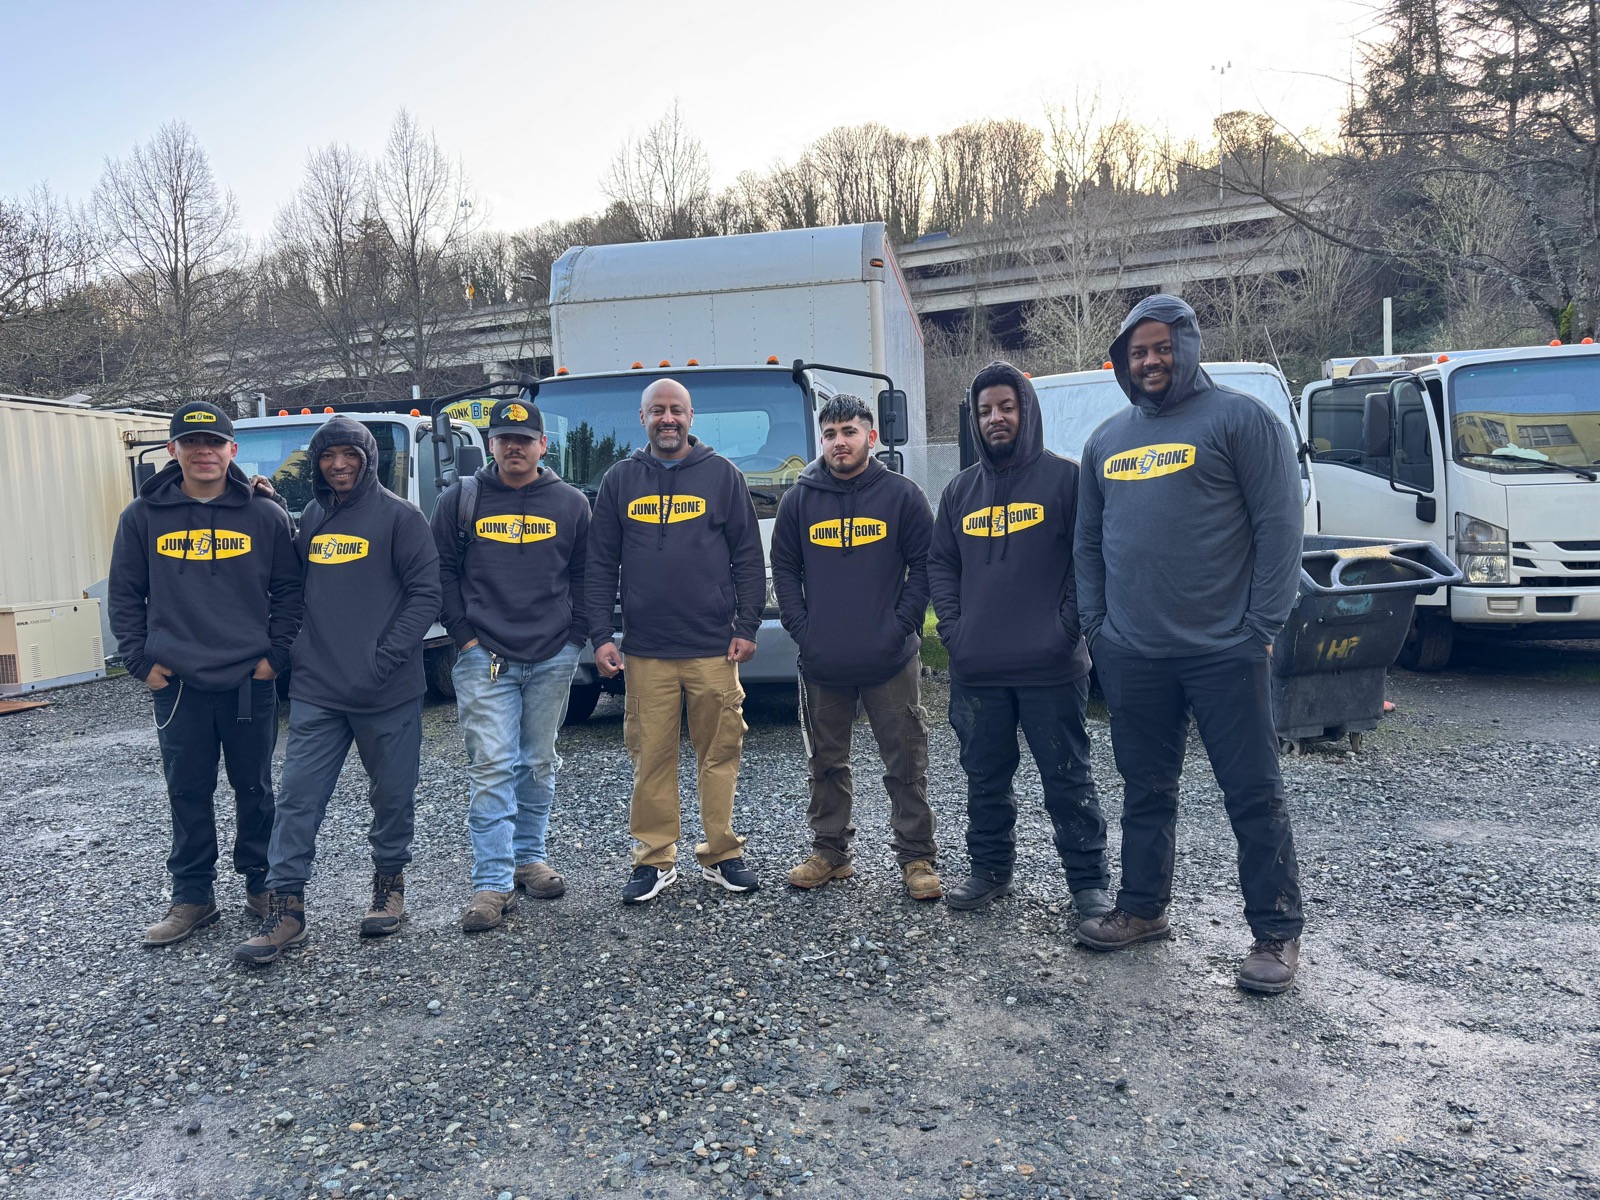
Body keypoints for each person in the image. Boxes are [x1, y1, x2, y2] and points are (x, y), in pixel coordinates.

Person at [1074, 294, 1305, 994]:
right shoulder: (1106, 441)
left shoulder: (1241, 420)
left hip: (1223, 650)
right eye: (1137, 350)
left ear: (1189, 345)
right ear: (1122, 359)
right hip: (1133, 653)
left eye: (1161, 346)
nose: (1149, 360)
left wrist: (1259, 629)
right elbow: (1088, 543)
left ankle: (1276, 932)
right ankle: (1143, 909)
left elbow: (1280, 529)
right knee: (1145, 789)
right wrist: (1098, 630)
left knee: (1253, 793)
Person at [234, 417, 441, 965]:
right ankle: (287, 907)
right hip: (318, 688)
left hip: (386, 688)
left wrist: (384, 656)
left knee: (391, 796)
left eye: (350, 454)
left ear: (369, 458)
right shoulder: (314, 516)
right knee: (298, 797)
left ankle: (388, 887)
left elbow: (426, 595)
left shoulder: (402, 518)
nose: (339, 464)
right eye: (328, 456)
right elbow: (297, 584)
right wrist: (266, 500)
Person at [108, 401, 303, 947]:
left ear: (231, 450)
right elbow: (124, 594)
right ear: (172, 451)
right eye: (191, 442)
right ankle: (193, 897)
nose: (203, 451)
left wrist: (276, 657)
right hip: (177, 686)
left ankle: (263, 886)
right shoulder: (142, 517)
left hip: (249, 681)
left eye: (214, 442)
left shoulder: (265, 515)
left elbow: (290, 591)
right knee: (187, 791)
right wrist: (141, 663)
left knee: (256, 789)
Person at [927, 362, 1112, 915]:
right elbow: (940, 564)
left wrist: (1066, 629)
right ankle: (989, 870)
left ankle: (1088, 884)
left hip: (1051, 667)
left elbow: (1090, 560)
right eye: (984, 411)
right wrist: (956, 631)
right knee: (984, 780)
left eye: (1006, 407)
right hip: (977, 669)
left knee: (1068, 779)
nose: (995, 419)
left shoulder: (1067, 480)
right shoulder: (959, 491)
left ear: (1026, 410)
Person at [587, 377, 765, 903]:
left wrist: (747, 626)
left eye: (677, 410)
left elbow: (748, 558)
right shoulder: (620, 480)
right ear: (641, 418)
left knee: (720, 753)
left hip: (714, 648)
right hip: (646, 651)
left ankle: (721, 855)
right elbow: (599, 565)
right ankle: (654, 859)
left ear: (692, 417)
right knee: (651, 756)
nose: (668, 419)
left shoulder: (723, 476)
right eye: (657, 410)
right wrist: (602, 634)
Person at [769, 394, 940, 900]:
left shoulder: (903, 496)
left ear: (872, 436)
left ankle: (916, 858)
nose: (839, 442)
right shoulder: (799, 499)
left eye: (849, 431)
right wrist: (803, 628)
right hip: (824, 659)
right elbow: (784, 569)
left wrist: (901, 624)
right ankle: (830, 852)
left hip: (890, 658)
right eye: (830, 434)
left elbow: (927, 565)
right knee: (825, 760)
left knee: (906, 760)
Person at [431, 397, 591, 933]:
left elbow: (587, 574)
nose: (514, 447)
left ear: (543, 445)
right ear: (492, 445)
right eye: (504, 439)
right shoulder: (461, 499)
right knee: (492, 767)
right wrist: (465, 638)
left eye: (524, 439)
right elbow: (441, 574)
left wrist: (575, 639)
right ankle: (492, 883)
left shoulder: (570, 504)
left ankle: (529, 858)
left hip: (553, 656)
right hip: (485, 658)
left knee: (538, 762)